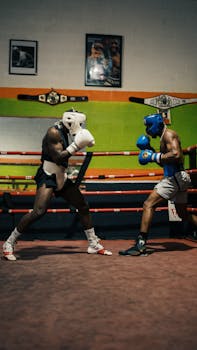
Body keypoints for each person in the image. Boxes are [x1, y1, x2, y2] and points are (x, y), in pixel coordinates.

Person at [2, 109, 112, 260]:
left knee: (83, 206)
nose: (80, 126)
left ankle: (93, 243)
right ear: (70, 121)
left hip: (61, 176)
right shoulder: (53, 133)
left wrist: (77, 143)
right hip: (48, 175)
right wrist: (76, 146)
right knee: (39, 211)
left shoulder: (67, 131)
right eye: (79, 123)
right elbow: (59, 158)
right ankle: (9, 242)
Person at [119, 113, 197, 256]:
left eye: (149, 125)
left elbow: (177, 155)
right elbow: (166, 160)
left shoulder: (169, 135)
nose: (147, 129)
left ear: (157, 123)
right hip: (179, 178)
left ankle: (141, 244)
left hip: (174, 178)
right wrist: (151, 151)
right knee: (183, 213)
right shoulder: (163, 137)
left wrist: (152, 156)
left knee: (148, 204)